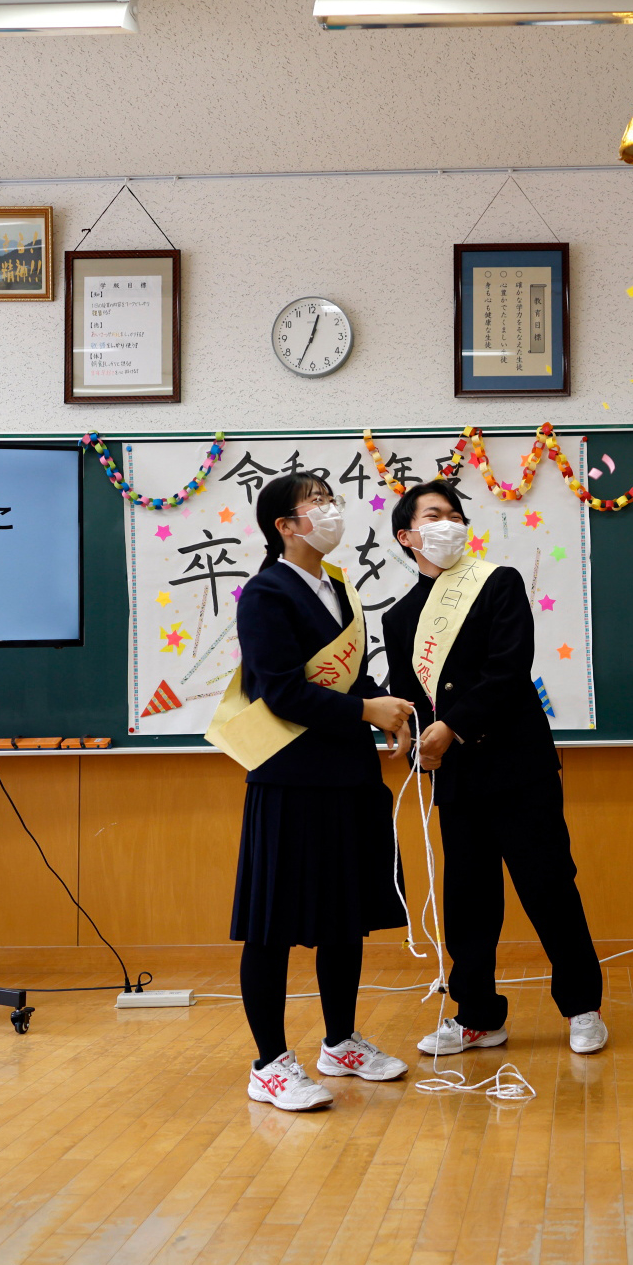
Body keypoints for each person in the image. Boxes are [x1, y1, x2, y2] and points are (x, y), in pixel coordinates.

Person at [380, 479, 608, 1057]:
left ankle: (583, 1007)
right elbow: (410, 695)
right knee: (468, 902)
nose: (449, 522)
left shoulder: (497, 582)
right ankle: (478, 1016)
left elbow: (509, 669)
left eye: (454, 513)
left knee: (549, 887)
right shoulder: (400, 617)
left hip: (518, 765)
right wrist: (406, 734)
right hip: (457, 778)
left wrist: (451, 726)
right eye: (433, 515)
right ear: (407, 536)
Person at [226, 471, 417, 1112]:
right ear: (285, 526)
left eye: (331, 501)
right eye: (317, 504)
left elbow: (350, 679)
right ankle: (269, 1063)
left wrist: (384, 713)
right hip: (290, 779)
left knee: (346, 917)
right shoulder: (265, 594)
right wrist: (368, 712)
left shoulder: (339, 587)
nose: (331, 512)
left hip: (348, 776)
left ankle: (339, 1042)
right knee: (272, 925)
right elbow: (279, 690)